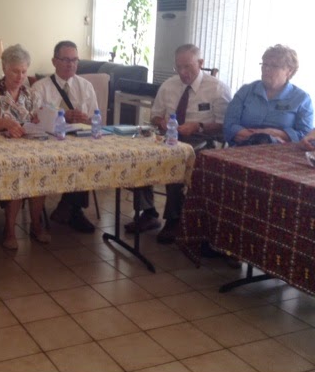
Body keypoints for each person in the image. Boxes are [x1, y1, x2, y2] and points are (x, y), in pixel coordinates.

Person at [126, 44, 232, 243]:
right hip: (169, 134)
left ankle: (174, 220)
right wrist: (162, 122)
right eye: (178, 67)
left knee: (177, 160)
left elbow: (225, 126)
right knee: (139, 156)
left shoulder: (217, 88)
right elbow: (155, 115)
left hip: (201, 138)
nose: (182, 72)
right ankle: (148, 212)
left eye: (187, 67)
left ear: (200, 63)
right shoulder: (169, 85)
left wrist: (198, 126)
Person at [0, 44, 51, 250]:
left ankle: (36, 225)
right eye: (15, 71)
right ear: (4, 68)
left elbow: (38, 119)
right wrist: (4, 123)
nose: (20, 76)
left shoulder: (31, 94)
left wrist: (41, 121)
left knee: (40, 172)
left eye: (23, 71)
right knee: (18, 174)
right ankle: (9, 230)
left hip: (29, 147)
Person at [31, 40, 98, 234]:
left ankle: (71, 208)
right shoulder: (40, 88)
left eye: (75, 60)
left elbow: (96, 119)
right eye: (66, 60)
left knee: (85, 157)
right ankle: (68, 208)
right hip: (49, 140)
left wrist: (86, 119)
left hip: (79, 139)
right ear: (54, 61)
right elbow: (35, 118)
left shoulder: (86, 86)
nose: (71, 64)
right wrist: (62, 116)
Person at [224, 44, 313, 146]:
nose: (266, 69)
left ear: (289, 71)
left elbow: (306, 135)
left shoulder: (302, 99)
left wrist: (280, 134)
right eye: (264, 64)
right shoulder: (246, 91)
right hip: (243, 147)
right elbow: (229, 124)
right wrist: (258, 137)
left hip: (281, 151)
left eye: (274, 66)